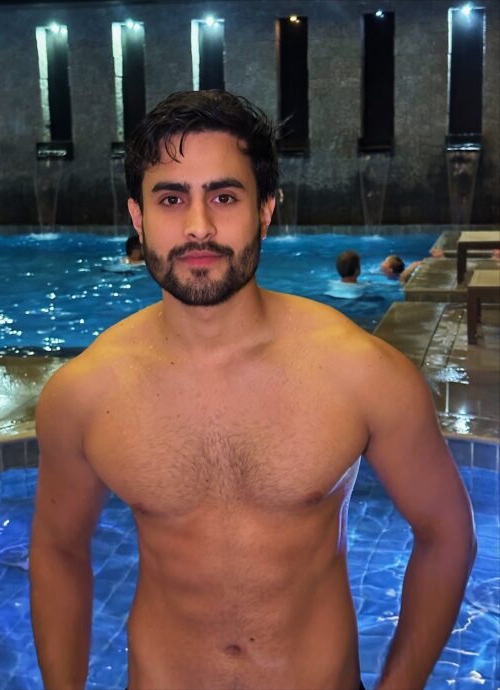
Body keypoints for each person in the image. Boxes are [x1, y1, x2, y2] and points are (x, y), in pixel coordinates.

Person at [29, 90, 476, 690]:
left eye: (224, 196)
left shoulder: (361, 373)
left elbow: (448, 533)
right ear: (137, 217)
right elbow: (58, 550)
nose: (198, 226)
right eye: (171, 199)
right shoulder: (84, 394)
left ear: (265, 210)